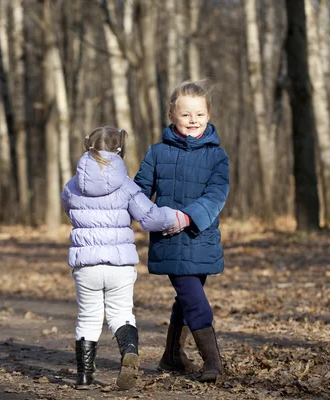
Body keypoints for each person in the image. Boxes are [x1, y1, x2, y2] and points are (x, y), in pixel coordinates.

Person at [61, 126, 181, 390]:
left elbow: (68, 210)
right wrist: (177, 217)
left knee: (88, 317)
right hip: (120, 265)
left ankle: (83, 376)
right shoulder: (127, 186)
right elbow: (149, 217)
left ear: (87, 147)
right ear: (121, 150)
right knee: (121, 313)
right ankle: (128, 350)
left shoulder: (72, 186)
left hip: (86, 264)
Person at [134, 80, 230, 383]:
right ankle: (213, 362)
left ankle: (172, 356)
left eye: (200, 114)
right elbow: (138, 192)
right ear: (172, 115)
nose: (193, 121)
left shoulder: (217, 156)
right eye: (186, 114)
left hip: (200, 236)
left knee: (187, 298)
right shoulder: (157, 152)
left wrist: (188, 218)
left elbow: (216, 195)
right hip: (170, 239)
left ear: (209, 115)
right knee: (193, 297)